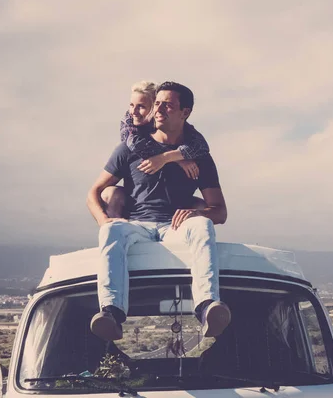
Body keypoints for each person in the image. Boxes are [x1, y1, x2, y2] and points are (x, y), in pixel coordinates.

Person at [87, 81, 230, 341]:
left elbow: (219, 212)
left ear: (184, 112)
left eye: (168, 104)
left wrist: (197, 214)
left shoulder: (199, 156)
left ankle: (208, 307)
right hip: (136, 225)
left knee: (202, 226)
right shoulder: (129, 148)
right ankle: (111, 313)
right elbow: (94, 192)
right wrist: (105, 220)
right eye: (157, 103)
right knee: (111, 231)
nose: (160, 109)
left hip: (176, 227)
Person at [103, 81, 209, 218]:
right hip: (136, 208)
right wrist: (175, 159)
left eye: (141, 107)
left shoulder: (179, 126)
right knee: (110, 193)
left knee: (200, 205)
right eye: (131, 105)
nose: (134, 112)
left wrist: (172, 156)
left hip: (172, 214)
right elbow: (135, 144)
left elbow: (201, 146)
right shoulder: (129, 123)